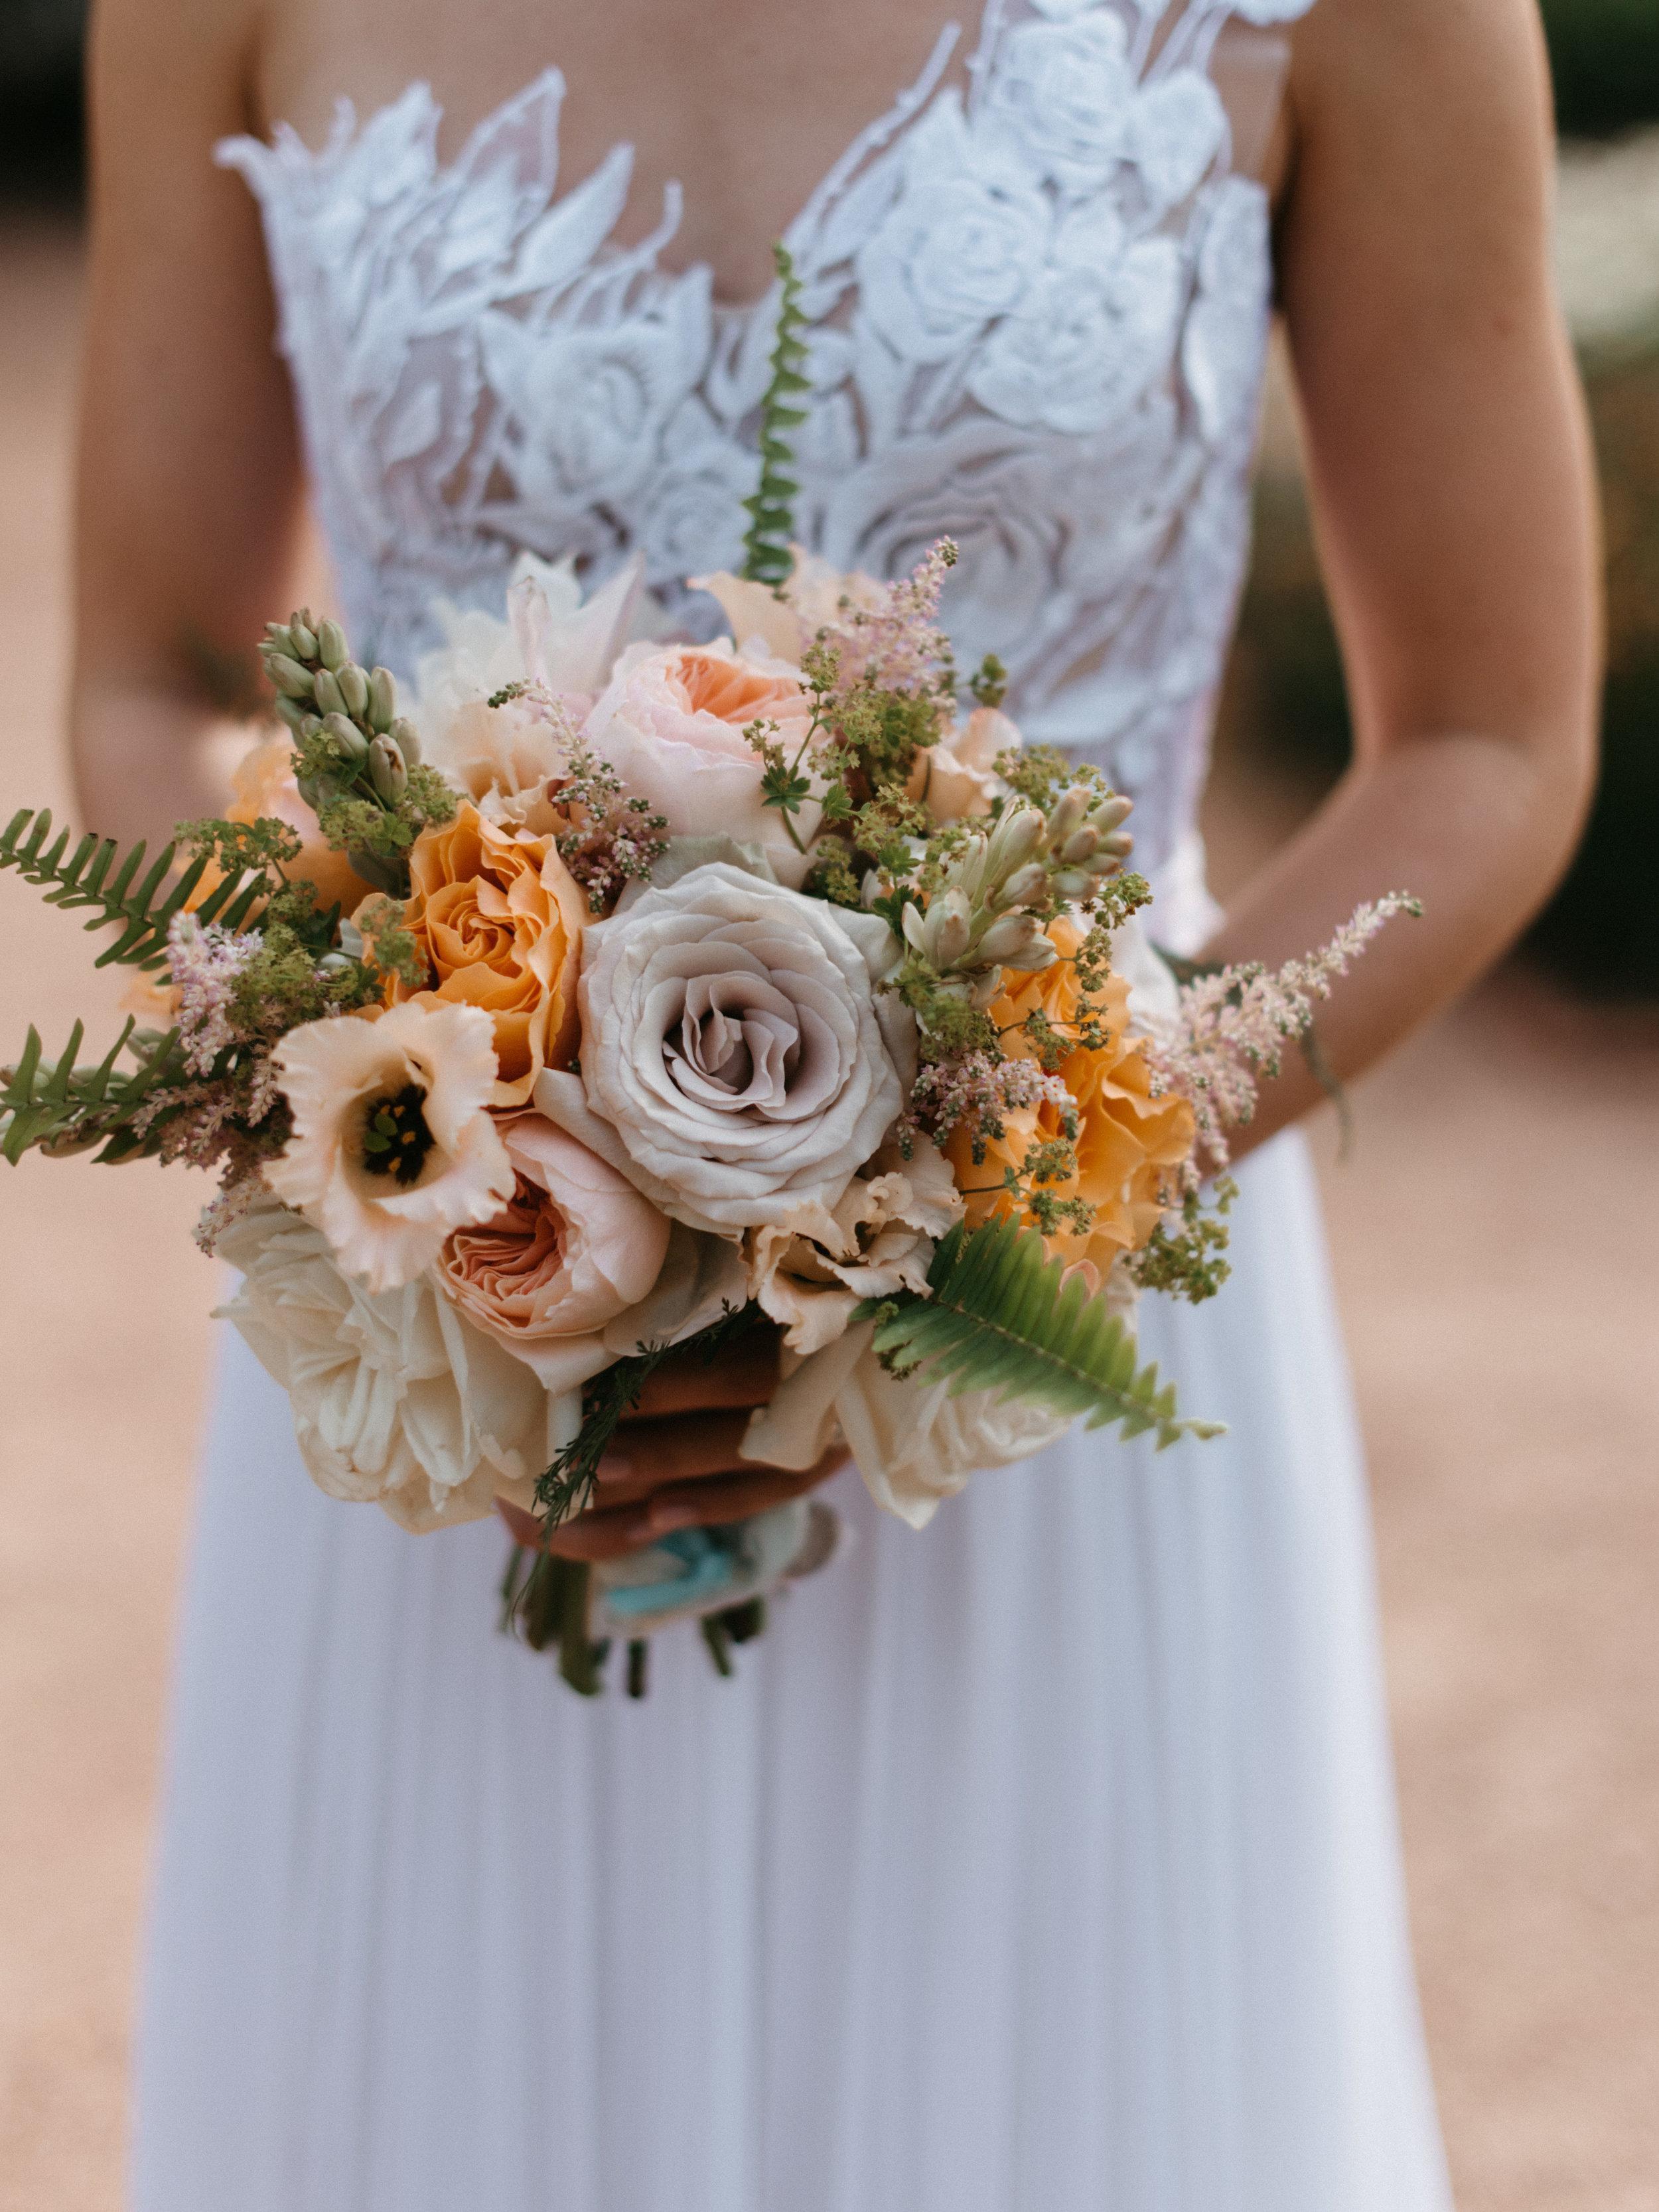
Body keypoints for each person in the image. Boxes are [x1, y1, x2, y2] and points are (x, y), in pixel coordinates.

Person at [73, 0, 1597, 2205]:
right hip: (458, 1372)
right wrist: (447, 1147)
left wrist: (995, 1196)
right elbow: (147, 682)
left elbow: (1482, 735)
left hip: (1046, 1359)